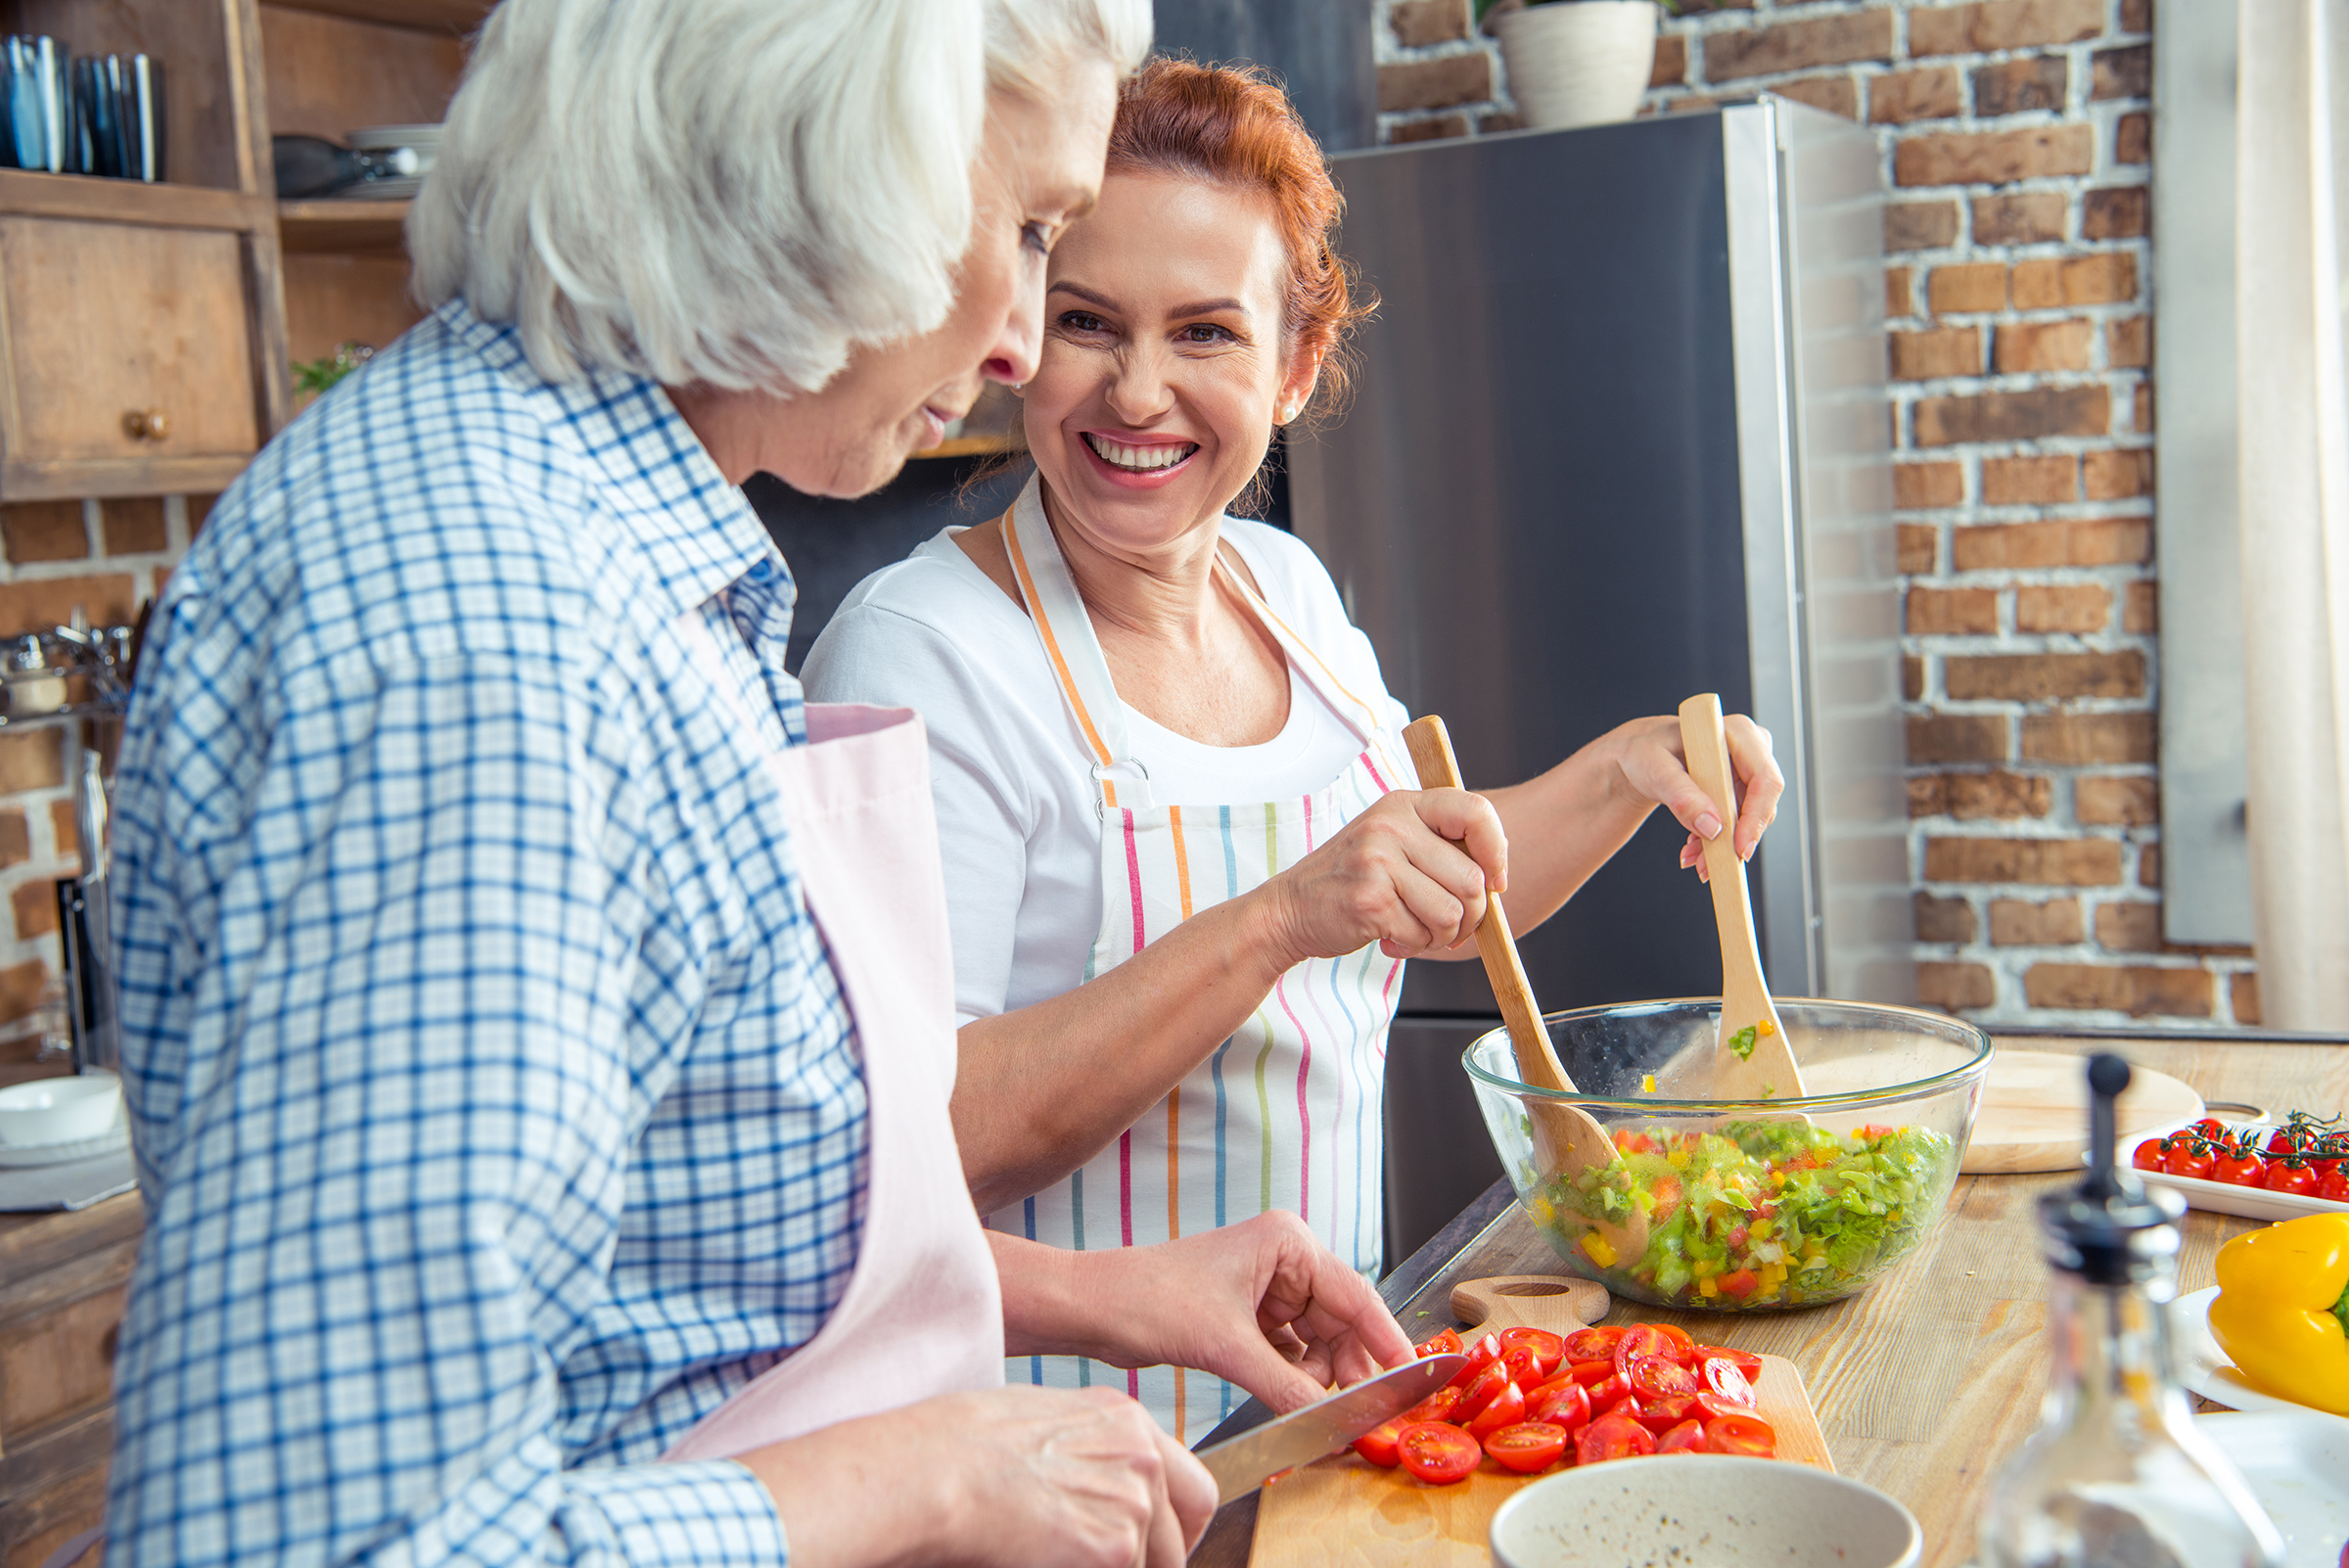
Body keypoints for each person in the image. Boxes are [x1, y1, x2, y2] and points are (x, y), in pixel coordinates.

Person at [98, 9, 1412, 1568]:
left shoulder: (615, 539)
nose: (1017, 341)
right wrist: (929, 1474)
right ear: (812, 166)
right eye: (1029, 230)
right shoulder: (497, 634)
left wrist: (1100, 1293)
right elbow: (329, 1543)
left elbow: (662, 1247)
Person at [802, 58, 1786, 1441]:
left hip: (1318, 1413)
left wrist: (1626, 769)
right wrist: (1279, 917)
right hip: (1058, 1460)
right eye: (1089, 321)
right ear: (1020, 332)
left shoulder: (1286, 591)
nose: (1136, 391)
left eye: (1204, 332)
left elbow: (1438, 893)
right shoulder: (919, 654)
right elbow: (915, 1140)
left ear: (1295, 368)